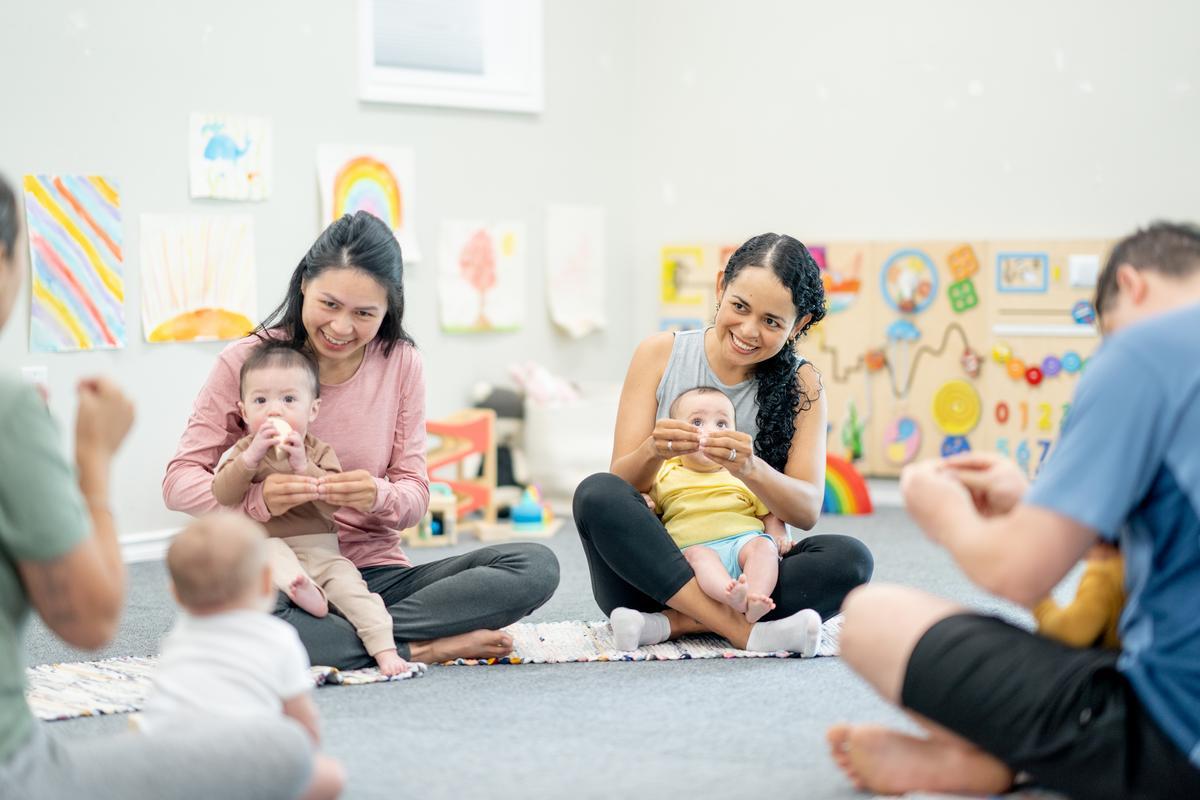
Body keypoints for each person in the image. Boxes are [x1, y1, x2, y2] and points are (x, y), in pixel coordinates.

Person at [828, 222, 1200, 799]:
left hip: (1172, 741)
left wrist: (943, 513)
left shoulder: (1145, 351)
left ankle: (997, 762)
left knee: (871, 616)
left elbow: (1018, 571)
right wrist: (1034, 502)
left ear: (1131, 284)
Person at [0, 172, 316, 798]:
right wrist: (93, 460)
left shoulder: (394, 371)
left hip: (348, 564)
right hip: (23, 774)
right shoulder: (11, 408)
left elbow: (403, 496)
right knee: (290, 749)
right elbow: (93, 623)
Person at [164, 211, 559, 667]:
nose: (341, 327)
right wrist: (258, 502)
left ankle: (345, 636)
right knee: (250, 611)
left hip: (373, 573)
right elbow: (179, 482)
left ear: (388, 311)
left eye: (364, 313)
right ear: (303, 287)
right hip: (276, 569)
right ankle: (414, 645)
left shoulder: (402, 363)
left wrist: (376, 494)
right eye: (329, 304)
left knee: (535, 567)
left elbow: (414, 495)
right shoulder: (247, 361)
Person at [573, 232, 873, 655]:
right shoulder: (659, 354)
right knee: (595, 493)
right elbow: (620, 486)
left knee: (851, 560)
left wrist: (750, 468)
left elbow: (805, 510)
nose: (748, 331)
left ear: (799, 325)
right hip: (657, 571)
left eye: (772, 322)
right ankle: (743, 631)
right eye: (740, 307)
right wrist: (653, 451)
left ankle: (674, 625)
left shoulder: (802, 384)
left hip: (748, 574)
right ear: (720, 288)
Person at [212, 340, 408, 676]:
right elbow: (223, 492)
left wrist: (303, 466)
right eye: (261, 401)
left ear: (312, 409)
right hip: (271, 550)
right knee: (263, 552)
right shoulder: (244, 451)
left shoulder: (319, 452)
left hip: (323, 550)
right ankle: (303, 589)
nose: (275, 410)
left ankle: (385, 649)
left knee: (354, 591)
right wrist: (250, 459)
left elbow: (333, 504)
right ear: (244, 412)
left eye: (288, 400)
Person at [141, 513, 345, 799]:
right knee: (329, 775)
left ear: (175, 594)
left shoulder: (178, 638)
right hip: (245, 763)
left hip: (172, 765)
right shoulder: (278, 638)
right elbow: (303, 720)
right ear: (266, 583)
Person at [628, 386, 820, 655]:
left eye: (721, 423)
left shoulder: (741, 473)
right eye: (697, 422)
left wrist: (779, 536)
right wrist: (646, 503)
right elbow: (648, 510)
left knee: (763, 548)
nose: (712, 430)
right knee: (700, 556)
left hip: (742, 543)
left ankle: (753, 597)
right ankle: (730, 596)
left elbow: (767, 513)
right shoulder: (666, 473)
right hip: (695, 551)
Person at [1033, 542, 1123, 650]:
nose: (1084, 558)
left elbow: (1069, 633)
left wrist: (1038, 596)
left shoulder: (1106, 573)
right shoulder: (1136, 566)